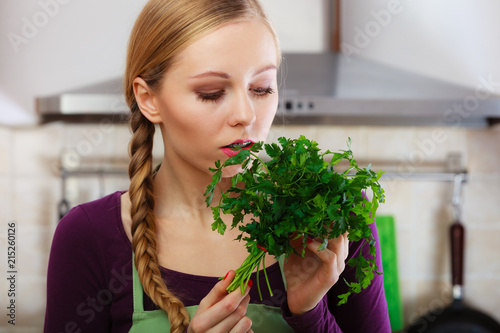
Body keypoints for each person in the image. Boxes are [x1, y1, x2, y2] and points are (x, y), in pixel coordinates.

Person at [44, 0, 391, 332]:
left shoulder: (334, 216)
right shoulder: (88, 237)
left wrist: (311, 313)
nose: (246, 115)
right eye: (211, 93)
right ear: (149, 99)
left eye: (261, 88)